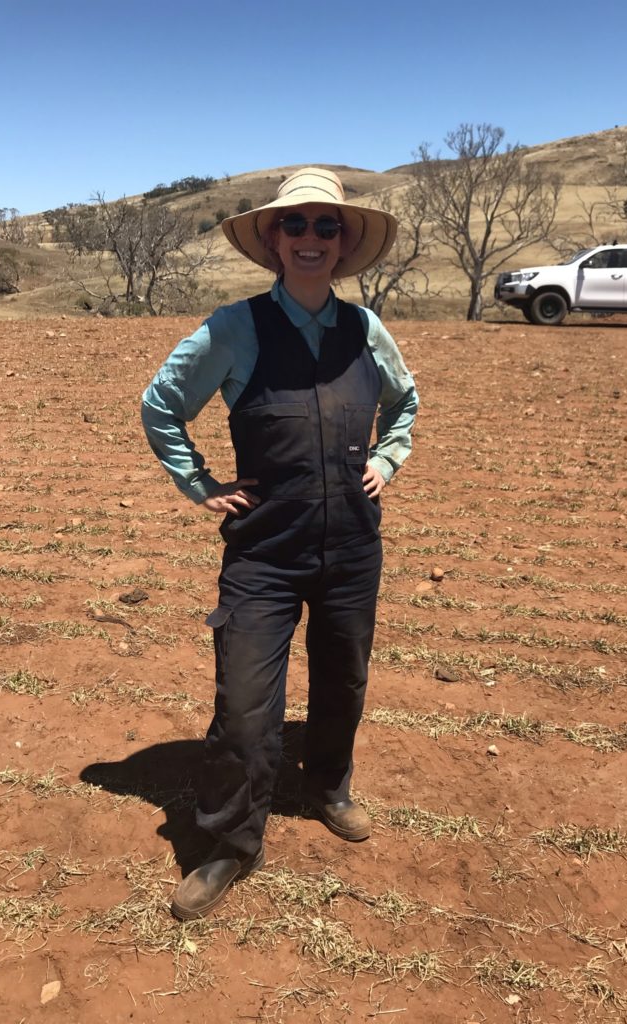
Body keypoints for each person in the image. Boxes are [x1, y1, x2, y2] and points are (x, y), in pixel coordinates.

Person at [141, 167, 418, 920]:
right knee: (246, 706)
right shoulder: (234, 329)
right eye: (294, 225)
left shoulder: (365, 329)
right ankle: (232, 843)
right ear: (272, 239)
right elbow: (161, 404)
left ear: (344, 242)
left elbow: (406, 401)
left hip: (353, 547)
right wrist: (199, 483)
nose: (310, 238)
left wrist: (387, 461)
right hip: (263, 551)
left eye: (327, 226)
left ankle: (328, 784)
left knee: (344, 679)